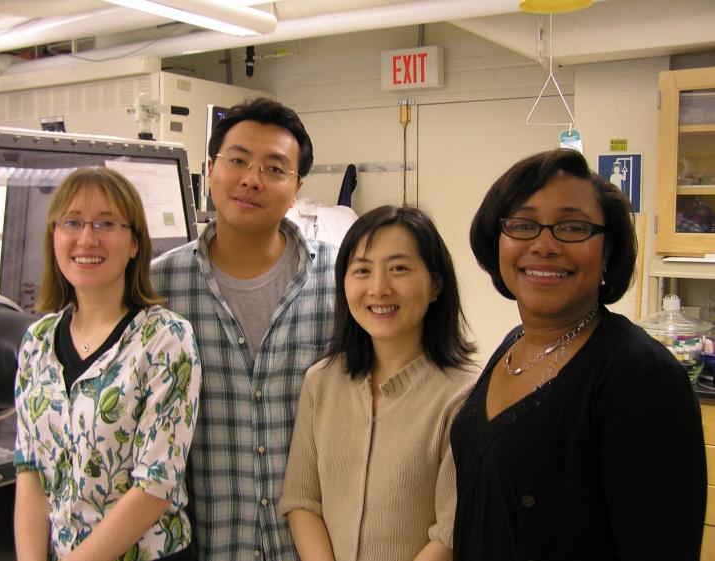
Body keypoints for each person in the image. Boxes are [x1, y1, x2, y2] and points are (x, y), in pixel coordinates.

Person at [454, 148, 706, 560]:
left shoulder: (640, 377)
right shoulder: (514, 345)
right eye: (523, 225)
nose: (544, 245)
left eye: (572, 227)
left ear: (607, 251)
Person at [150, 98, 336, 561]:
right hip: (207, 542)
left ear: (296, 188)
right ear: (210, 169)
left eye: (274, 169)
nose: (252, 179)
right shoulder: (157, 287)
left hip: (317, 546)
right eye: (237, 161)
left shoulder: (341, 278)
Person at [13, 167, 201, 561]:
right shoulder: (37, 342)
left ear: (135, 243)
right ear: (54, 237)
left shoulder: (165, 338)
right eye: (73, 222)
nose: (87, 238)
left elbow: (155, 486)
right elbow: (29, 472)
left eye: (106, 223)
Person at [279, 205, 479, 561]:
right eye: (362, 271)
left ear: (435, 284)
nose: (378, 288)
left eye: (399, 269)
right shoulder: (321, 382)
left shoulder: (463, 395)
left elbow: (450, 531)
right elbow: (302, 500)